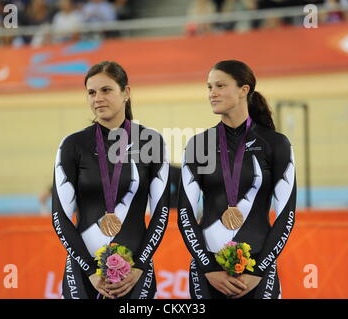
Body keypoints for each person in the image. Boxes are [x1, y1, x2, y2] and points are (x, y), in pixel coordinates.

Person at [178, 60, 296, 299]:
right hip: (207, 270)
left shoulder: (276, 144)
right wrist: (209, 268)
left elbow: (286, 215)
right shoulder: (199, 145)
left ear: (244, 90)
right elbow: (184, 214)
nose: (212, 93)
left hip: (258, 271)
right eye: (209, 87)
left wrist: (259, 270)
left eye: (220, 86)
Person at [52, 61, 170, 299]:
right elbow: (59, 217)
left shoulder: (151, 142)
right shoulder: (72, 145)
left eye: (106, 90)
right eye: (91, 92)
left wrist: (139, 266)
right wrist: (90, 271)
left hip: (136, 271)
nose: (98, 98)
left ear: (126, 92)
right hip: (83, 273)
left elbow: (161, 212)